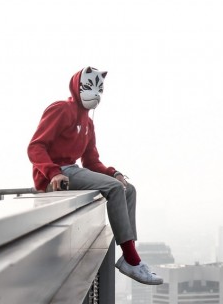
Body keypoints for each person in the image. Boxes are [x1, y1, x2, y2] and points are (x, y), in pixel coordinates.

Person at [27, 66, 163, 285]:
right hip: (58, 174)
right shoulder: (61, 109)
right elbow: (35, 147)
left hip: (74, 170)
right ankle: (132, 260)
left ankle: (130, 255)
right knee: (115, 189)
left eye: (100, 87)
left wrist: (114, 173)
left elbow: (90, 161)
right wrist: (52, 172)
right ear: (78, 86)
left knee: (128, 189)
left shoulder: (89, 123)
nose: (96, 92)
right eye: (90, 86)